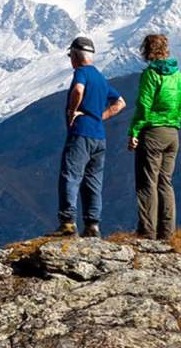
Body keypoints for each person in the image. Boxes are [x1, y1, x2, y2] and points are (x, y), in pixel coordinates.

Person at [50, 37, 126, 238]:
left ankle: (67, 223)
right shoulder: (101, 78)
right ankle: (92, 225)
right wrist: (100, 116)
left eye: (70, 55)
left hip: (81, 133)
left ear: (75, 55)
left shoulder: (81, 73)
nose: (70, 59)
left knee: (71, 176)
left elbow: (78, 90)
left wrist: (73, 111)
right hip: (99, 136)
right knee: (93, 180)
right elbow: (120, 102)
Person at [127, 34, 181, 241]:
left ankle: (147, 232)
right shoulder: (179, 76)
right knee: (165, 182)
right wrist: (174, 122)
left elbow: (144, 105)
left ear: (148, 51)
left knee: (147, 182)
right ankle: (167, 233)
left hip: (153, 132)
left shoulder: (151, 74)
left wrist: (134, 131)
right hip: (173, 134)